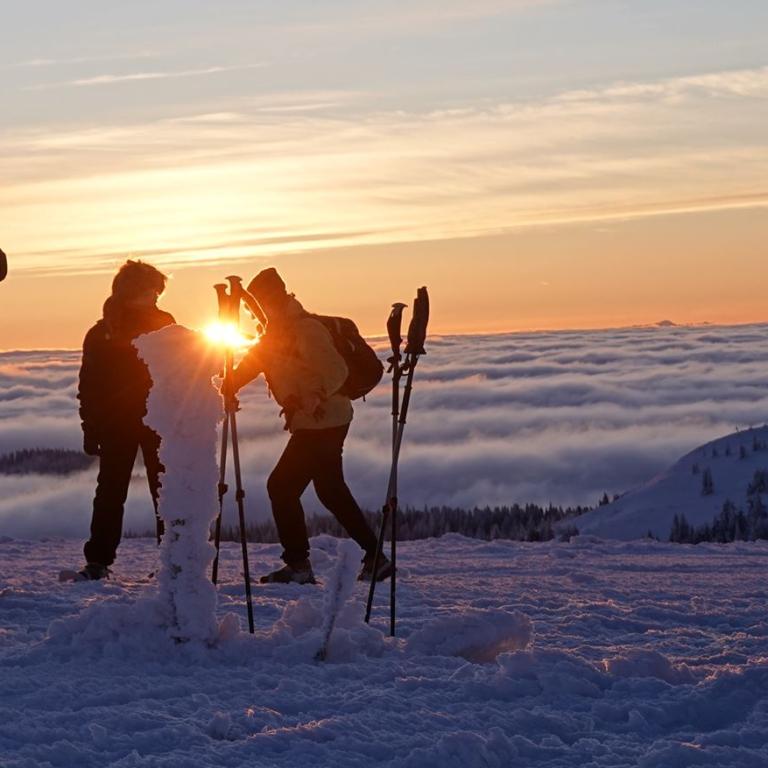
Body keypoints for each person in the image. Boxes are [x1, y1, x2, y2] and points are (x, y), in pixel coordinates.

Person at [229, 267, 392, 585]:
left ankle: (299, 566)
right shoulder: (273, 335)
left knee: (281, 487)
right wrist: (223, 386)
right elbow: (248, 367)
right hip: (318, 421)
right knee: (331, 491)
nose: (253, 312)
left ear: (274, 301)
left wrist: (315, 397)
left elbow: (336, 370)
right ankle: (375, 557)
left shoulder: (304, 330)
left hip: (324, 420)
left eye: (256, 306)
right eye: (251, 308)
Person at [75, 260, 175, 580]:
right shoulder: (160, 326)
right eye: (153, 290)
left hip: (129, 422)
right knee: (161, 491)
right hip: (151, 420)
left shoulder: (103, 330)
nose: (157, 295)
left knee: (115, 491)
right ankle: (171, 560)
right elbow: (89, 385)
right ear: (135, 291)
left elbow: (88, 386)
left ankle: (101, 560)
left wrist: (91, 426)